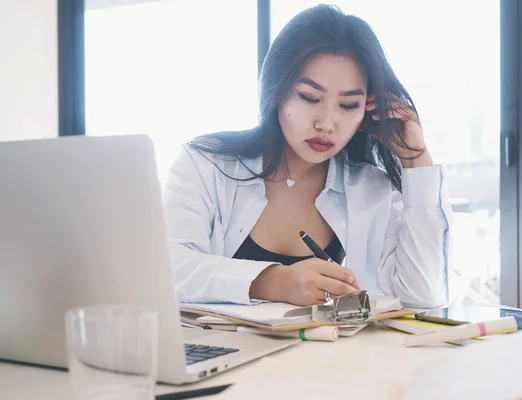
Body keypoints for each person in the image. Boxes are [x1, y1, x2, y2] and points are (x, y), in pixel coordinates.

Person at [163, 4, 452, 308]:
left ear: (368, 111)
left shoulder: (375, 189)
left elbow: (424, 296)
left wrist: (416, 161)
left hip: (338, 356)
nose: (326, 123)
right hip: (228, 355)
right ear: (276, 89)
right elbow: (171, 271)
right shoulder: (204, 165)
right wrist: (273, 281)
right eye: (309, 97)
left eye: (348, 105)